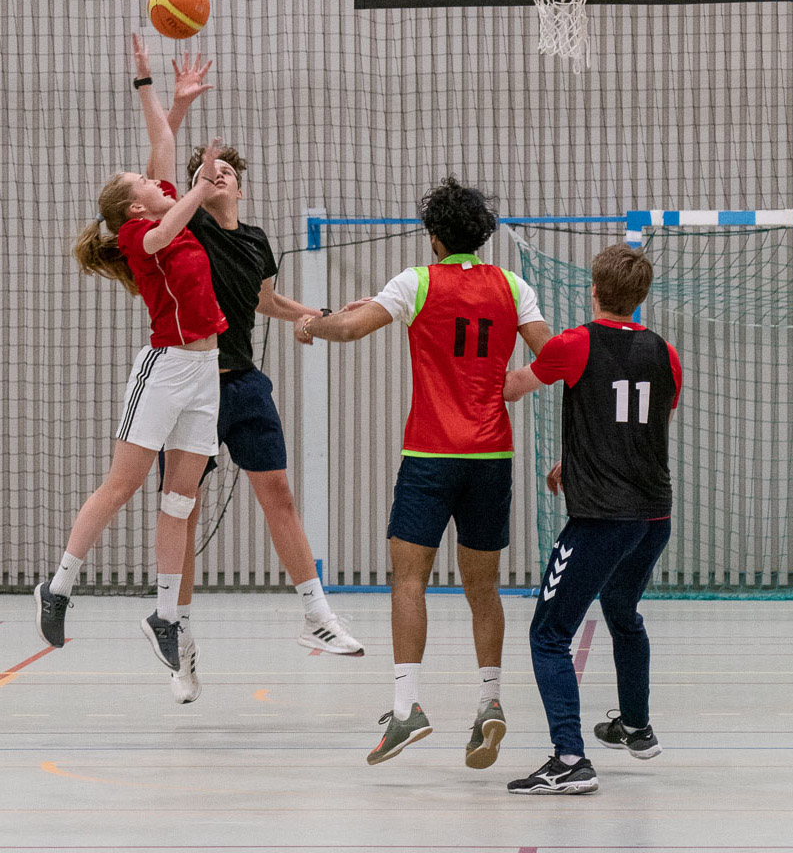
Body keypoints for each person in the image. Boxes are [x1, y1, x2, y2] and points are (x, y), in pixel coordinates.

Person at [293, 177, 551, 768]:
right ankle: (489, 701)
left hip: (431, 456)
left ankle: (407, 706)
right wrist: (518, 383)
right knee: (483, 589)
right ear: (481, 236)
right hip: (490, 459)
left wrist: (310, 325)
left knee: (409, 581)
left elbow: (350, 328)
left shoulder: (418, 281)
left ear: (434, 235)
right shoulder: (513, 287)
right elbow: (553, 354)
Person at [147, 48, 364, 704]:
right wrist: (178, 107)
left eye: (226, 173)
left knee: (279, 494)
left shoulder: (257, 239)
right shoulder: (188, 231)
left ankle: (316, 615)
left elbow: (263, 300)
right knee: (182, 511)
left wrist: (314, 314)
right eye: (206, 173)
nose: (217, 178)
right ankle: (179, 638)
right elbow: (158, 170)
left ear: (239, 187)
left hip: (243, 383)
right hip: (191, 388)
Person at [35, 38, 227, 675]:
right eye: (145, 182)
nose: (154, 177)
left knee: (181, 499)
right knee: (123, 484)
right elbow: (172, 224)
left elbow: (163, 141)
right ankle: (59, 585)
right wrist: (200, 188)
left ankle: (164, 615)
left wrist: (160, 91)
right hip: (165, 368)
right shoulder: (140, 231)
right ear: (136, 207)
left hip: (205, 370)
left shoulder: (158, 200)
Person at [501, 242, 682, 795]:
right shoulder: (666, 352)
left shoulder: (575, 343)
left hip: (603, 518)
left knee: (549, 635)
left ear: (594, 291)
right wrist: (576, 460)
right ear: (641, 296)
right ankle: (636, 726)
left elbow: (510, 388)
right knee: (622, 611)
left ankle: (569, 758)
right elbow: (640, 425)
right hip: (653, 516)